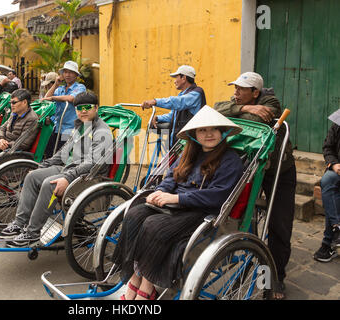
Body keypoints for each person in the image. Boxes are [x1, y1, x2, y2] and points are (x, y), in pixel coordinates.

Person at [112, 105, 243, 300]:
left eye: (214, 129)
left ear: (222, 132)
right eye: (202, 130)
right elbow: (171, 177)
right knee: (134, 215)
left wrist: (177, 198)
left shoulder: (230, 159)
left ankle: (147, 288)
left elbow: (218, 195)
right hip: (173, 205)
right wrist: (160, 192)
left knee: (153, 225)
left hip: (201, 212)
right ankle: (133, 279)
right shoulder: (189, 153)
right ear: (194, 134)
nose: (209, 134)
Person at [214, 71, 296, 300]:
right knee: (241, 212)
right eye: (235, 88)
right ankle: (251, 252)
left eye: (241, 89)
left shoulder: (271, 103)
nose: (235, 93)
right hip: (250, 166)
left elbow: (256, 122)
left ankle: (276, 277)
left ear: (255, 93)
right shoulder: (240, 103)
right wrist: (243, 109)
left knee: (279, 224)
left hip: (278, 170)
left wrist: (238, 115)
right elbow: (215, 109)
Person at [0, 91, 113, 248]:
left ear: (96, 108)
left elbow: (93, 163)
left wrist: (68, 177)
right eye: (79, 108)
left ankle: (32, 233)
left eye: (87, 107)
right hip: (69, 169)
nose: (83, 111)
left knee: (48, 183)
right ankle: (19, 223)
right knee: (32, 177)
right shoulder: (79, 126)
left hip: (88, 177)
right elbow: (63, 153)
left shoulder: (102, 131)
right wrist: (41, 166)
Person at [141, 65, 206, 146]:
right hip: (177, 142)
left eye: (176, 78)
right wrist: (157, 118)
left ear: (184, 78)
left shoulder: (196, 93)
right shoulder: (183, 94)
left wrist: (155, 101)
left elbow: (179, 102)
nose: (175, 81)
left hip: (190, 143)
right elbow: (172, 116)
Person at [41, 61, 86, 158]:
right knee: (48, 152)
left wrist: (54, 98)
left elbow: (71, 98)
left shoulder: (80, 87)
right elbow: (46, 98)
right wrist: (56, 84)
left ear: (76, 75)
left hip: (70, 129)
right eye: (65, 72)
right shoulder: (59, 89)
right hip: (57, 127)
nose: (67, 75)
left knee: (61, 155)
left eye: (71, 72)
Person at [313, 110, 340, 262]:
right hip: (338, 170)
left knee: (333, 196)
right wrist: (334, 164)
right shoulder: (337, 126)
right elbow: (328, 147)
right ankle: (337, 227)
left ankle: (327, 244)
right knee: (327, 181)